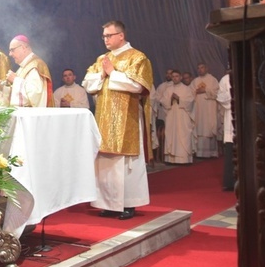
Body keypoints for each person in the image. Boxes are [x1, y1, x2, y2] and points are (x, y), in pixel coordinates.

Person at [83, 20, 153, 220]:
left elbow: (138, 86)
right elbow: (88, 83)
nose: (105, 39)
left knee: (126, 163)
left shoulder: (137, 57)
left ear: (121, 36)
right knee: (106, 162)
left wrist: (113, 73)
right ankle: (109, 204)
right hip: (104, 116)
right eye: (104, 36)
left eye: (109, 35)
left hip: (127, 118)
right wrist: (102, 74)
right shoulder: (102, 58)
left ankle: (128, 204)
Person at [1, 35, 54, 107]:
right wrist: (2, 87)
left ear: (23, 48)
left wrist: (15, 80)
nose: (10, 54)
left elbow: (36, 94)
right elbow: (18, 94)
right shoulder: (22, 68)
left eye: (12, 50)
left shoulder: (35, 65)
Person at [159, 70, 195, 164]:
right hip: (171, 116)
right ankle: (171, 159)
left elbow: (190, 102)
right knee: (171, 134)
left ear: (180, 77)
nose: (175, 78)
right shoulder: (168, 90)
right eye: (173, 76)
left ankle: (184, 159)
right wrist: (170, 100)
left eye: (177, 76)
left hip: (183, 116)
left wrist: (179, 99)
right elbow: (163, 102)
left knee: (184, 134)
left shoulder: (186, 89)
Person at [190, 62, 220, 158]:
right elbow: (189, 94)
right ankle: (200, 153)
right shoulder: (195, 81)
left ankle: (211, 152)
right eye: (198, 68)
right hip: (198, 108)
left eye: (202, 67)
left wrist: (205, 90)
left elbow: (217, 93)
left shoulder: (213, 80)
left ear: (206, 68)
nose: (200, 70)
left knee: (208, 127)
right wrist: (195, 92)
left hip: (209, 107)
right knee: (199, 127)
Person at [217, 68, 234, 190]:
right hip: (231, 120)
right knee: (231, 153)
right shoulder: (225, 79)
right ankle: (230, 183)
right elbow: (221, 97)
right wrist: (233, 94)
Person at [151, 69, 174, 160]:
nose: (168, 75)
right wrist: (162, 101)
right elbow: (156, 97)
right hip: (162, 112)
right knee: (162, 131)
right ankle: (161, 155)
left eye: (170, 74)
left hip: (173, 112)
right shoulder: (161, 86)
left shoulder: (175, 86)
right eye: (167, 73)